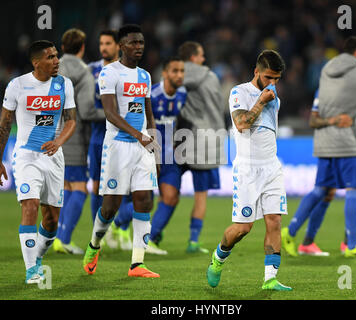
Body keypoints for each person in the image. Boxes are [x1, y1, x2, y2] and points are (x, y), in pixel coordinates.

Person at [281, 36, 356, 258]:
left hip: (325, 144)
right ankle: (351, 245)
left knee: (324, 191)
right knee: (354, 189)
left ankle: (298, 236)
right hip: (346, 143)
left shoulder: (326, 80)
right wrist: (336, 120)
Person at [207, 49, 292, 291]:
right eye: (268, 77)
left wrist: (267, 98)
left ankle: (270, 278)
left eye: (277, 79)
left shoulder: (275, 97)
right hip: (247, 170)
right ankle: (218, 258)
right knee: (243, 228)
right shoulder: (239, 92)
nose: (273, 83)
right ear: (256, 72)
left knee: (274, 221)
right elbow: (242, 124)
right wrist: (261, 101)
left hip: (272, 167)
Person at [82, 24, 161, 278]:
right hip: (117, 146)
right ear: (121, 46)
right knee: (110, 207)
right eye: (133, 43)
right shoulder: (109, 73)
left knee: (144, 200)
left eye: (141, 42)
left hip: (142, 147)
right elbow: (110, 113)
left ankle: (137, 264)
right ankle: (94, 245)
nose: (139, 47)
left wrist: (153, 140)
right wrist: (139, 135)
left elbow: (148, 110)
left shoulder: (145, 76)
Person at [0, 40, 76, 283]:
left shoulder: (64, 84)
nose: (56, 61)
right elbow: (4, 124)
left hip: (53, 158)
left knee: (51, 220)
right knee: (30, 205)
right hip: (26, 155)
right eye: (51, 57)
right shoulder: (17, 85)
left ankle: (38, 256)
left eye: (57, 56)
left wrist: (59, 141)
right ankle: (31, 270)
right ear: (36, 62)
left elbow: (71, 120)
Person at [108, 56, 187, 255]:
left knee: (171, 197)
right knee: (144, 201)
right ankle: (116, 223)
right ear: (165, 73)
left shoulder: (183, 95)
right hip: (148, 152)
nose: (179, 75)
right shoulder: (151, 93)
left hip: (170, 156)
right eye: (175, 71)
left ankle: (150, 239)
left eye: (182, 71)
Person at [53, 29, 106, 254]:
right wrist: (112, 114)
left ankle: (56, 237)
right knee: (80, 189)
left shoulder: (53, 66)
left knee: (64, 188)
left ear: (63, 48)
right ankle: (63, 239)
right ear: (83, 48)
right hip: (72, 136)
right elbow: (86, 110)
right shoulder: (83, 72)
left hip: (49, 132)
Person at [175, 41, 226, 253]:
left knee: (164, 191)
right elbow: (219, 107)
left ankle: (134, 229)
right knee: (201, 194)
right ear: (194, 56)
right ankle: (193, 241)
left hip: (178, 138)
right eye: (201, 55)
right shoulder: (211, 77)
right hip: (207, 139)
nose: (204, 59)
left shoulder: (174, 76)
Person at [87, 30, 134, 251]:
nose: (103, 47)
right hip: (97, 136)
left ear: (118, 46)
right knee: (97, 186)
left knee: (124, 188)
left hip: (123, 137)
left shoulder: (129, 71)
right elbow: (86, 106)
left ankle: (119, 227)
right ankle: (98, 233)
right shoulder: (91, 71)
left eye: (108, 43)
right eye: (101, 43)